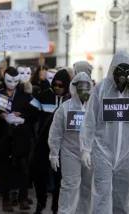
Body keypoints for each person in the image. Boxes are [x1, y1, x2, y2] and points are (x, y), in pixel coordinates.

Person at [80, 50, 129, 214]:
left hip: (127, 152)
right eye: (119, 69)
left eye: (126, 69)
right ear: (113, 68)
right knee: (102, 197)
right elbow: (89, 120)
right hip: (102, 151)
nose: (122, 75)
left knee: (122, 198)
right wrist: (86, 148)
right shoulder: (101, 89)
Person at [0, 67, 35, 212]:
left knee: (23, 168)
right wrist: (2, 116)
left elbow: (33, 111)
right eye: (9, 80)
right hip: (4, 137)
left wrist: (21, 116)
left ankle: (23, 198)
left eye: (15, 81)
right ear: (4, 78)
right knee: (5, 170)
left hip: (21, 136)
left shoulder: (24, 95)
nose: (12, 84)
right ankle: (6, 200)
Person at [49, 70, 93, 214]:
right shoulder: (65, 108)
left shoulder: (94, 108)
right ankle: (65, 212)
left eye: (86, 88)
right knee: (69, 186)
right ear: (74, 88)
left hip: (89, 153)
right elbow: (56, 132)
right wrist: (54, 153)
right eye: (80, 88)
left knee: (87, 187)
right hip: (70, 152)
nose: (83, 92)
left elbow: (102, 131)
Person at [30, 68, 71, 214]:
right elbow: (30, 116)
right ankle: (40, 203)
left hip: (62, 147)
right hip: (43, 144)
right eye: (55, 84)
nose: (57, 88)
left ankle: (56, 206)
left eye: (61, 85)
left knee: (60, 178)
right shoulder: (44, 96)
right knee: (39, 175)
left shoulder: (71, 101)